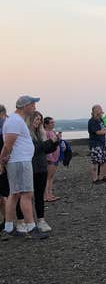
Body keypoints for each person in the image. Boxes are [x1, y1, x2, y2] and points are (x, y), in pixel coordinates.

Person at [0, 96, 48, 239]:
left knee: (14, 194)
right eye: (32, 104)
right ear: (24, 106)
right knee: (26, 194)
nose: (34, 107)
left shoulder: (14, 120)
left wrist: (3, 159)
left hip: (18, 161)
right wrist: (2, 159)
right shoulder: (15, 121)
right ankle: (31, 227)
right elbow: (8, 144)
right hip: (20, 162)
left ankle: (9, 227)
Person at [20, 111, 59, 233]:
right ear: (30, 120)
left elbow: (45, 150)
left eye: (39, 120)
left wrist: (54, 142)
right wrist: (48, 142)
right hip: (29, 167)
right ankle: (25, 221)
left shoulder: (40, 133)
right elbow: (34, 149)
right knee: (26, 196)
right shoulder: (26, 134)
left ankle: (41, 220)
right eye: (36, 119)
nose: (38, 122)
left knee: (39, 196)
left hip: (41, 167)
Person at [88, 105, 106, 183]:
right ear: (96, 110)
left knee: (104, 161)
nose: (102, 110)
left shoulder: (101, 120)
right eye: (100, 109)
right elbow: (98, 132)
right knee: (95, 162)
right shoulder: (92, 121)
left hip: (103, 143)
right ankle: (95, 179)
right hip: (95, 144)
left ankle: (102, 177)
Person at [43, 117, 60, 202]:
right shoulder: (45, 133)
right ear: (46, 124)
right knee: (48, 178)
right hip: (51, 158)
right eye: (51, 123)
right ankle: (47, 196)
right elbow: (47, 147)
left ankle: (50, 193)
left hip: (55, 157)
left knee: (51, 177)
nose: (53, 124)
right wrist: (50, 158)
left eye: (53, 122)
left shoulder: (52, 132)